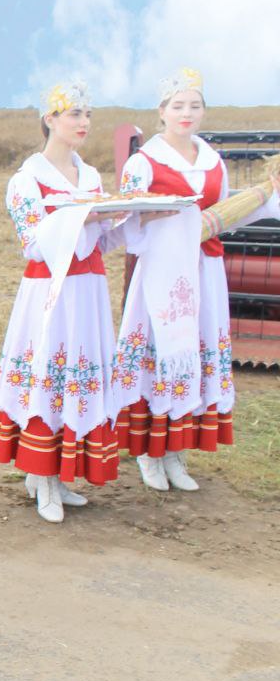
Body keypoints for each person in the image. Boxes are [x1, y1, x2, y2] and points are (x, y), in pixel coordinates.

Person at [113, 68, 280, 492]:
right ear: (162, 112)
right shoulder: (143, 162)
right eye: (177, 106)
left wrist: (266, 194)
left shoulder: (211, 159)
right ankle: (149, 453)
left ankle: (176, 453)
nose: (186, 113)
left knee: (195, 354)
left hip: (205, 270)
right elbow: (127, 224)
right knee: (161, 353)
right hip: (163, 275)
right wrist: (166, 217)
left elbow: (225, 215)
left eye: (195, 105)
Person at [0, 82, 136, 522]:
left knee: (79, 374)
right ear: (49, 119)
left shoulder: (88, 176)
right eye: (74, 113)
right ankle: (42, 475)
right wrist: (80, 216)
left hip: (88, 290)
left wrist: (130, 215)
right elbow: (33, 243)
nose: (84, 122)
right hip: (50, 293)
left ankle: (60, 475)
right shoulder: (25, 180)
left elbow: (99, 240)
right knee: (49, 375)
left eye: (87, 113)